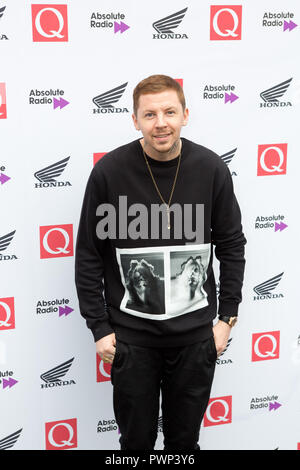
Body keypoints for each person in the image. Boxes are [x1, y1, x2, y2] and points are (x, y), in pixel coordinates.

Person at [75, 74, 246, 451]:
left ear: (185, 114)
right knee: (135, 444)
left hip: (195, 338)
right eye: (149, 114)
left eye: (169, 111)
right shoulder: (109, 173)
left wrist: (226, 320)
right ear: (135, 120)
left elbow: (232, 245)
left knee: (184, 444)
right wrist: (99, 328)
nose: (161, 122)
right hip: (132, 342)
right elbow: (89, 253)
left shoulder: (211, 169)